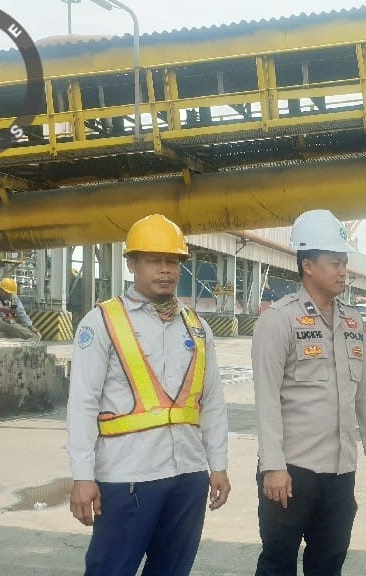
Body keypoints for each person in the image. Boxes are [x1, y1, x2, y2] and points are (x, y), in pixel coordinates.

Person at [66, 214, 231, 576]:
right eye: (154, 261)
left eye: (172, 261)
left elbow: (213, 403)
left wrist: (217, 465)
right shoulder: (102, 322)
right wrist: (82, 476)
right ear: (131, 264)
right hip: (127, 478)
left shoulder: (197, 326)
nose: (165, 270)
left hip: (188, 475)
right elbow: (82, 404)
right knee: (111, 570)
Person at [252, 209, 366, 576]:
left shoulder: (353, 321)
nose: (343, 271)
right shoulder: (279, 319)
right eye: (335, 263)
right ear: (308, 265)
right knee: (278, 563)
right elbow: (266, 399)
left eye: (345, 263)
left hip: (340, 473)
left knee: (329, 564)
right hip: (292, 470)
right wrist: (273, 467)